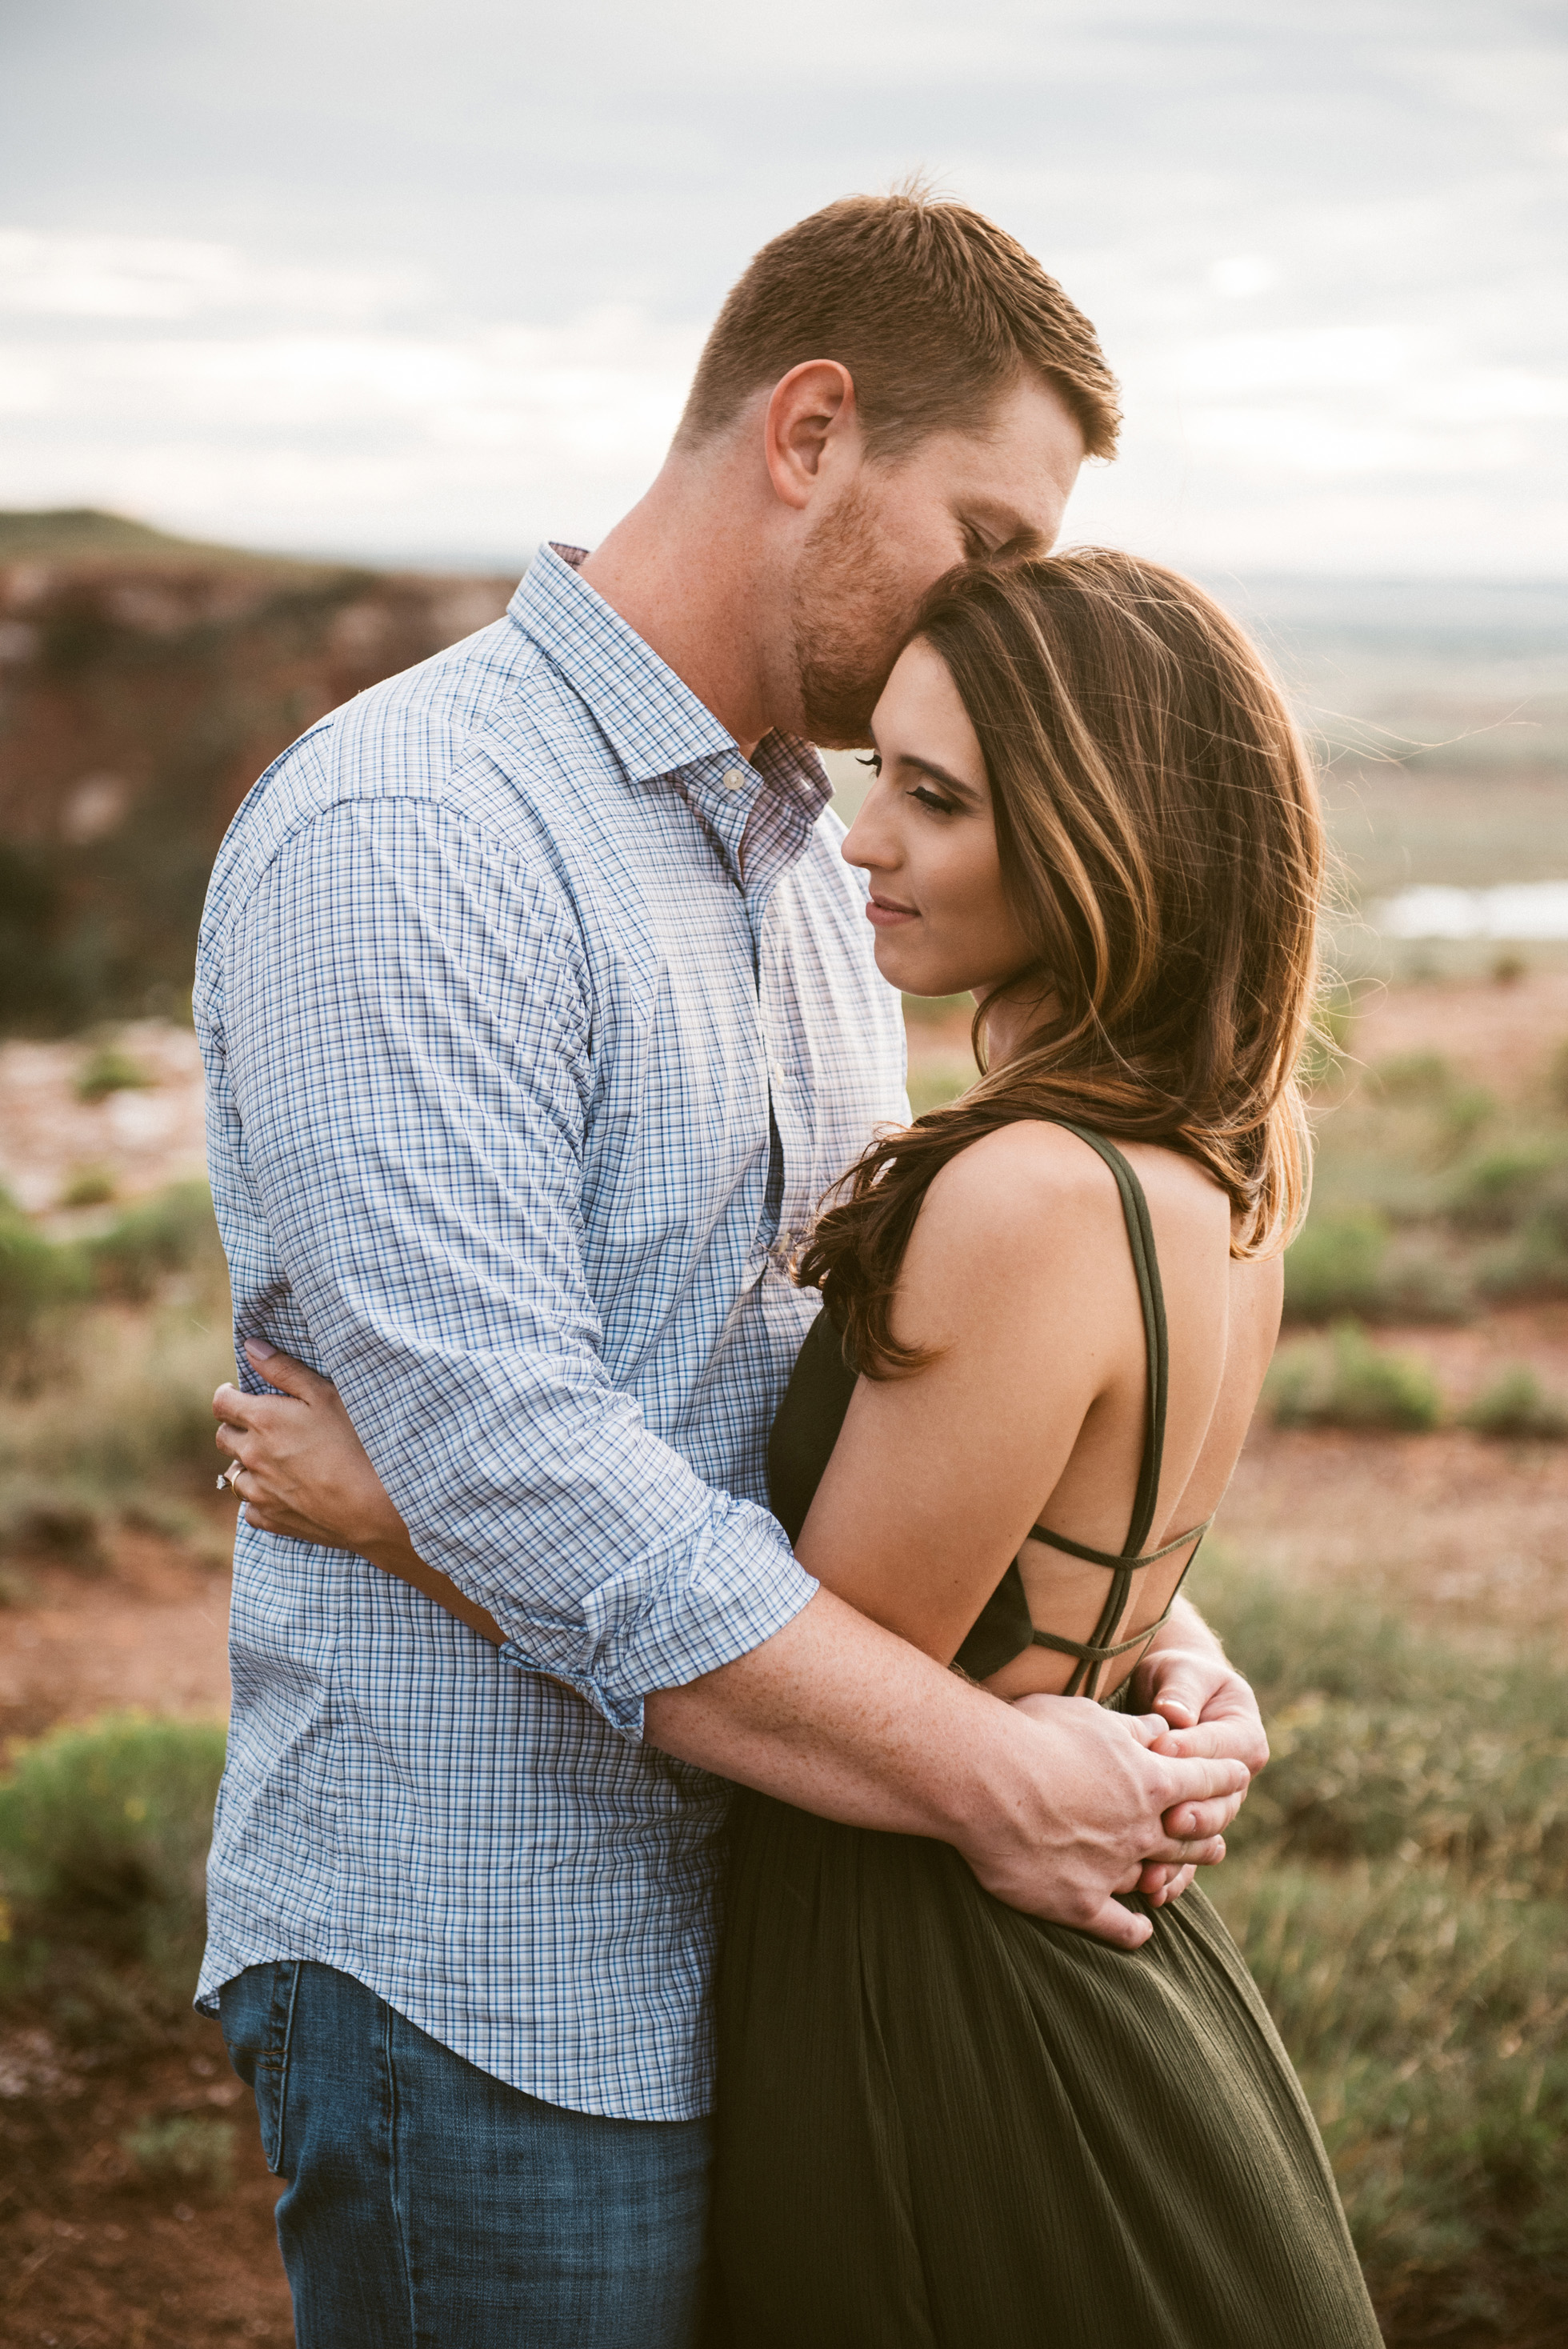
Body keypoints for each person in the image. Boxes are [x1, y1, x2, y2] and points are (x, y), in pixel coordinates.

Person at [198, 191, 1261, 2349]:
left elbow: (826, 1374)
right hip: (499, 1975)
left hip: (783, 1941)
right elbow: (512, 1456)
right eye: (986, 532)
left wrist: (1118, 1631)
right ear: (809, 430)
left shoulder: (806, 860)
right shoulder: (422, 828)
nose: (1011, 611)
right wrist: (996, 1771)